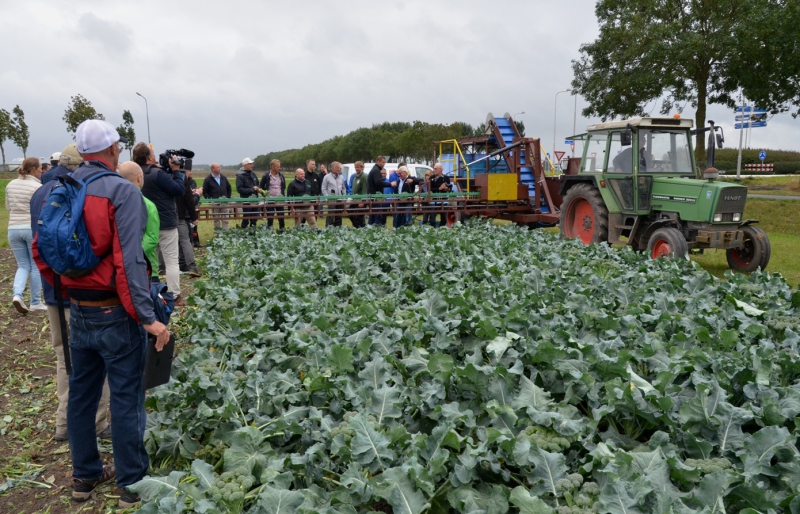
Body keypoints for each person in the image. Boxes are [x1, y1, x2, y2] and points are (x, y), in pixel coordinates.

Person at [33, 119, 170, 509]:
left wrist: (63, 291)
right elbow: (128, 262)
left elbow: (41, 253)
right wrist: (147, 316)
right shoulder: (121, 191)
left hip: (76, 309)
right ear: (113, 150)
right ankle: (131, 483)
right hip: (115, 311)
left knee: (81, 396)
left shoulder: (57, 188)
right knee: (126, 398)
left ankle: (85, 477)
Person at [31, 156, 112, 443]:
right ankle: (98, 423)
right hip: (78, 291)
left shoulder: (40, 191)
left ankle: (63, 422)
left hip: (51, 287)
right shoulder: (82, 189)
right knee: (95, 357)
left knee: (62, 356)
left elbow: (38, 243)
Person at [135, 143, 185, 306]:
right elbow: (178, 190)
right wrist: (176, 171)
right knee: (171, 261)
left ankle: (149, 291)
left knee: (149, 259)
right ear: (150, 157)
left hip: (145, 224)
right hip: (166, 223)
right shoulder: (158, 174)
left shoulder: (136, 173)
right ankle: (175, 295)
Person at [6, 157, 45, 313]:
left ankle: (17, 295)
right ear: (34, 169)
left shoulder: (10, 185)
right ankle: (35, 301)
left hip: (13, 228)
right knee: (36, 265)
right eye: (40, 168)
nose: (42, 171)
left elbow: (9, 207)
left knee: (23, 265)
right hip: (30, 228)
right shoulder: (37, 187)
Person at [118, 162, 161, 280]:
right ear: (139, 178)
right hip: (146, 268)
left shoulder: (115, 202)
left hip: (119, 266)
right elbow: (152, 238)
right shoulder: (148, 205)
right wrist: (134, 255)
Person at [175, 169, 200, 277]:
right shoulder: (181, 178)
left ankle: (163, 268)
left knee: (162, 242)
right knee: (185, 240)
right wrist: (194, 216)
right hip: (179, 214)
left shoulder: (161, 175)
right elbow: (188, 199)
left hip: (163, 215)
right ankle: (191, 266)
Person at [367, 156, 396, 225]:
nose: (384, 164)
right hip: (376, 197)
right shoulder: (376, 171)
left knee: (372, 215)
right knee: (377, 216)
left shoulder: (374, 170)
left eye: (385, 162)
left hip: (373, 196)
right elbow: (378, 182)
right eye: (383, 162)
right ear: (378, 162)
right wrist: (390, 184)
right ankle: (376, 231)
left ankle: (370, 230)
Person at [202, 162, 232, 230]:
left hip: (224, 202)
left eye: (219, 167)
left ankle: (225, 233)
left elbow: (229, 188)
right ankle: (218, 234)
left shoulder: (223, 178)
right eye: (218, 167)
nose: (220, 168)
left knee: (225, 219)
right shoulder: (207, 179)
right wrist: (210, 200)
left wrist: (228, 198)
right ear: (213, 169)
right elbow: (205, 191)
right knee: (216, 219)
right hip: (215, 203)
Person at [259, 159, 286, 231]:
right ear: (272, 167)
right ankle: (269, 232)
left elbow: (283, 186)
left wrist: (282, 195)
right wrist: (265, 194)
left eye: (279, 167)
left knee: (281, 217)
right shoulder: (266, 176)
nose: (279, 168)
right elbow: (260, 187)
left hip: (279, 200)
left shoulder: (281, 176)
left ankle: (282, 231)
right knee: (270, 217)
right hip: (270, 199)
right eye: (278, 167)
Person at [236, 158, 261, 228]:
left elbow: (257, 184)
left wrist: (258, 188)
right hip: (246, 201)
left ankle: (252, 233)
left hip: (255, 200)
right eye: (250, 164)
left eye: (252, 164)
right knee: (246, 218)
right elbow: (239, 189)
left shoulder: (253, 174)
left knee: (254, 218)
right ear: (245, 165)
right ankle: (244, 233)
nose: (252, 165)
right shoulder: (240, 176)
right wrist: (252, 189)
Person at [322, 161, 346, 227]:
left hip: (340, 200)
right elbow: (323, 188)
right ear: (332, 168)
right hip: (331, 200)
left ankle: (338, 229)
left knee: (339, 216)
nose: (339, 169)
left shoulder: (341, 177)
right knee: (330, 216)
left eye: (339, 168)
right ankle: (328, 229)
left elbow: (344, 188)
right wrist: (328, 197)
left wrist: (344, 197)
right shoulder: (326, 177)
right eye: (337, 168)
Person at [429, 163, 451, 227]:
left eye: (436, 169)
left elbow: (449, 188)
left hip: (443, 200)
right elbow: (430, 188)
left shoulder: (446, 178)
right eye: (434, 168)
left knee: (444, 217)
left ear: (440, 169)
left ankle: (441, 229)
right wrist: (439, 188)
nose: (434, 170)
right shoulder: (432, 178)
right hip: (434, 200)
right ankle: (432, 229)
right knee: (432, 217)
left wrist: (446, 188)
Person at [349, 161, 368, 228]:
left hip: (360, 200)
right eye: (356, 167)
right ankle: (357, 227)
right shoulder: (354, 176)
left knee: (359, 217)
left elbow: (365, 189)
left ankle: (360, 228)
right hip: (354, 200)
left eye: (358, 167)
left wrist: (363, 201)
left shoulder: (364, 177)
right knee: (350, 213)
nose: (357, 169)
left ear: (362, 168)